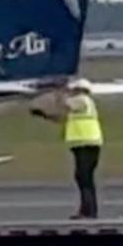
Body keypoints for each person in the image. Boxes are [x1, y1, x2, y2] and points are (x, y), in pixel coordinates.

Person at [36, 83, 102, 218]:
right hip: (85, 144)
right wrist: (43, 115)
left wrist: (58, 92)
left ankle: (88, 212)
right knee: (84, 178)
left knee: (83, 177)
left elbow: (63, 105)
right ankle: (88, 210)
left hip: (86, 144)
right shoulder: (82, 104)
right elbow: (62, 118)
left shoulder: (82, 100)